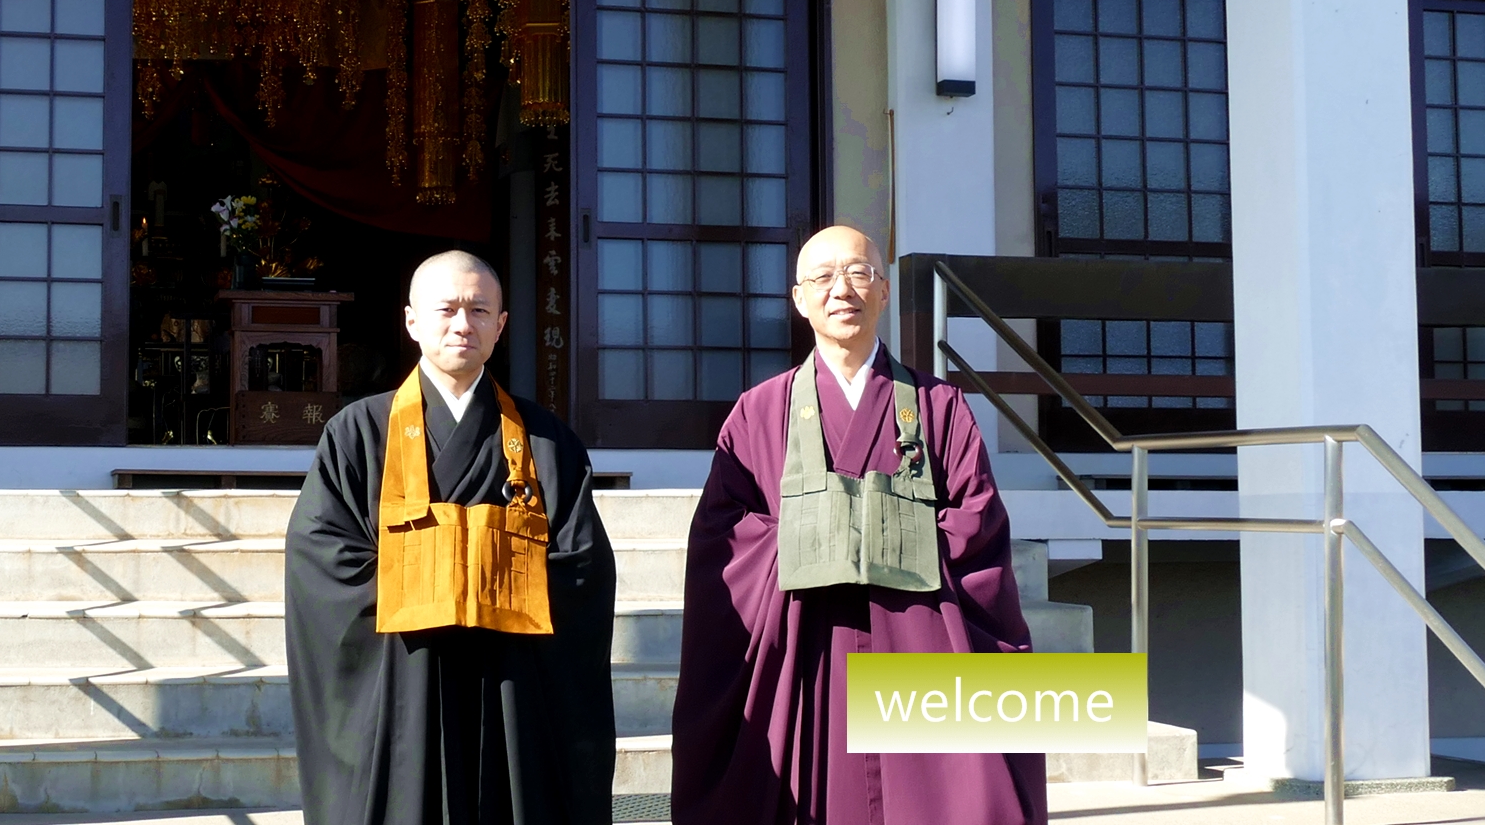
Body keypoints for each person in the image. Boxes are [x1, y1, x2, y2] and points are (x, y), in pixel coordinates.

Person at [671, 226, 1046, 824]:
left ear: (884, 291)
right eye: (822, 277)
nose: (841, 289)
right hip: (805, 647)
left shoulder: (938, 406)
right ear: (799, 299)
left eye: (859, 272)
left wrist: (866, 527)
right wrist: (831, 530)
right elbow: (723, 538)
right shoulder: (758, 411)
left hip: (910, 639)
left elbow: (976, 525)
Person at [285, 250, 617, 825]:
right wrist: (471, 564)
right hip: (405, 670)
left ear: (501, 325)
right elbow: (321, 556)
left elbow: (582, 564)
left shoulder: (548, 440)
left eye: (479, 310)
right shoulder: (357, 432)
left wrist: (452, 566)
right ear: (412, 321)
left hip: (512, 675)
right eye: (446, 310)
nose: (462, 324)